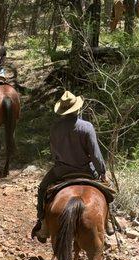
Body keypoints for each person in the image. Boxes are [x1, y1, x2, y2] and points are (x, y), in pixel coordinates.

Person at [31, 90, 114, 242]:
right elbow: (95, 154)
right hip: (86, 170)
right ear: (77, 108)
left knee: (43, 188)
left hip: (61, 171)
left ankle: (42, 223)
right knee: (108, 191)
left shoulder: (55, 128)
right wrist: (102, 172)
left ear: (62, 110)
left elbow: (54, 152)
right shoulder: (87, 127)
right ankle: (108, 222)